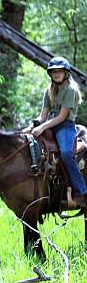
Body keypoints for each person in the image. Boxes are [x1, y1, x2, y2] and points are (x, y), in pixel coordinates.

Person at [23, 56, 86, 206]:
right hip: (50, 124)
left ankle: (81, 191)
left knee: (65, 153)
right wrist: (32, 126)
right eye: (53, 71)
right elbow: (43, 115)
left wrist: (43, 127)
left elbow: (62, 117)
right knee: (31, 145)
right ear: (50, 74)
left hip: (65, 126)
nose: (56, 74)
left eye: (59, 71)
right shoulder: (49, 90)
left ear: (66, 73)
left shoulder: (71, 89)